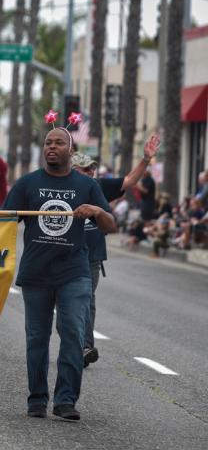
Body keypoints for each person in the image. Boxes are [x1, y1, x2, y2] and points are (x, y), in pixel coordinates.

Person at [2, 126, 115, 421]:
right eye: (48, 143)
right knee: (36, 338)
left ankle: (66, 400)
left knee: (74, 334)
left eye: (58, 143)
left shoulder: (87, 186)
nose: (51, 147)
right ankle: (37, 399)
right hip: (36, 273)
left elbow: (110, 225)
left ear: (71, 150)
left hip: (74, 273)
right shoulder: (27, 183)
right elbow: (3, 222)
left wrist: (96, 211)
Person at [70, 133, 160, 367]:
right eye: (84, 169)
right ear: (72, 170)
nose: (90, 173)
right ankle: (73, 340)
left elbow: (129, 181)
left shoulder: (99, 186)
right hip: (64, 255)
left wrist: (146, 159)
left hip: (91, 257)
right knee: (67, 304)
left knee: (86, 300)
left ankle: (85, 346)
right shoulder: (63, 189)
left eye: (92, 169)